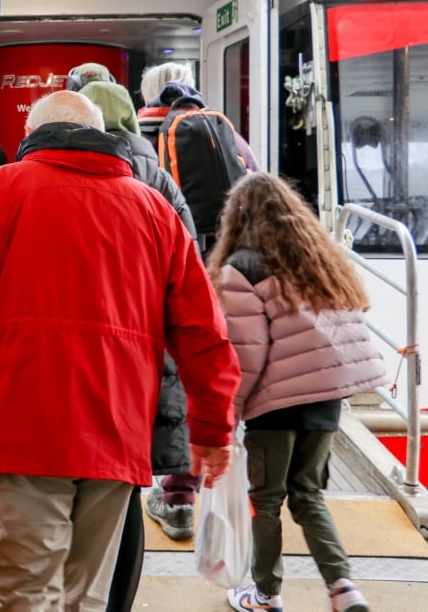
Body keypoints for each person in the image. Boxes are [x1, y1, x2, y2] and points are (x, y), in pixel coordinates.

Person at [0, 90, 241, 611]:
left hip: (24, 429)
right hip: (118, 430)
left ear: (31, 138)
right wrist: (213, 430)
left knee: (30, 591)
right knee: (88, 596)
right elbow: (203, 330)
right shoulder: (154, 210)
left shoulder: (1, 191)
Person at [208, 172, 388, 612]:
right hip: (326, 402)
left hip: (275, 407)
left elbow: (247, 356)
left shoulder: (244, 268)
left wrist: (226, 415)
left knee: (265, 501)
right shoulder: (320, 262)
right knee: (308, 496)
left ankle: (266, 594)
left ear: (239, 217)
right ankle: (344, 587)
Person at [73, 71, 199, 608]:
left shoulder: (79, 171)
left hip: (89, 348)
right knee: (125, 487)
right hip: (148, 347)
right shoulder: (159, 176)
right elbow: (189, 258)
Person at [136, 62, 259, 538]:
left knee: (153, 376)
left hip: (156, 276)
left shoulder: (136, 138)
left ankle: (146, 485)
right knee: (198, 370)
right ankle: (183, 492)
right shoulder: (222, 133)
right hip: (221, 267)